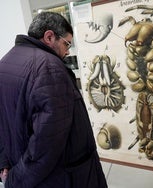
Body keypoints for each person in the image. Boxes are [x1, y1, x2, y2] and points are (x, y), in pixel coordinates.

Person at [0, 12, 107, 188]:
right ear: (49, 37)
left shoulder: (5, 62)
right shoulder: (49, 67)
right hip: (63, 177)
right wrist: (16, 180)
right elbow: (47, 141)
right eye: (67, 44)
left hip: (26, 169)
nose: (68, 51)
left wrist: (4, 162)